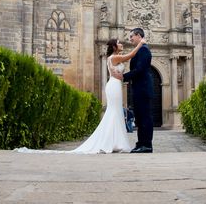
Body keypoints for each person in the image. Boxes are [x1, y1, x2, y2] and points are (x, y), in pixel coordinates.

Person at [15, 36, 143, 154]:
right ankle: (112, 142)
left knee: (115, 111)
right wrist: (140, 44)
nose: (121, 44)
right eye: (119, 43)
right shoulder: (114, 58)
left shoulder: (114, 57)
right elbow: (131, 55)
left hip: (115, 85)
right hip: (114, 86)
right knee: (114, 111)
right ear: (114, 46)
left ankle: (114, 141)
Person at [112, 27, 154, 153]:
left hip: (143, 88)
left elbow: (140, 70)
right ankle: (140, 143)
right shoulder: (140, 50)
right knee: (140, 118)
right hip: (139, 88)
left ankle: (146, 145)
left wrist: (124, 76)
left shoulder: (144, 50)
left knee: (145, 117)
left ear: (138, 36)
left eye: (131, 36)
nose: (130, 39)